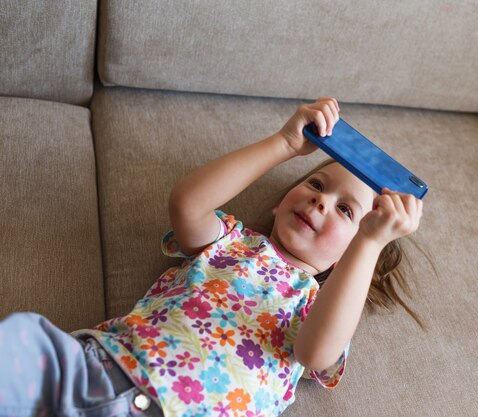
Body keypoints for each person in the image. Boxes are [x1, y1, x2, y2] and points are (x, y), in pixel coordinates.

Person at [0, 97, 425, 417]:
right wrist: (283, 143)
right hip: (99, 369)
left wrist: (371, 242)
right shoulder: (230, 241)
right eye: (316, 184)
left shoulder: (318, 307)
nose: (320, 202)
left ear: (348, 258)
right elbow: (187, 206)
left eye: (345, 210)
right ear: (278, 204)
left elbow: (316, 354)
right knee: (19, 342)